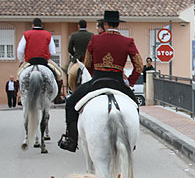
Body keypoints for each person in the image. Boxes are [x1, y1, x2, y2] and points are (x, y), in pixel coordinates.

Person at [58, 10, 143, 152]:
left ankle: (71, 139)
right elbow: (139, 66)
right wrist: (130, 82)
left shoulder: (95, 40)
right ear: (118, 24)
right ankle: (131, 141)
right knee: (135, 107)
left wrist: (95, 74)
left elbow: (87, 63)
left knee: (71, 102)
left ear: (105, 24)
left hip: (97, 82)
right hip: (119, 84)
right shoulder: (128, 41)